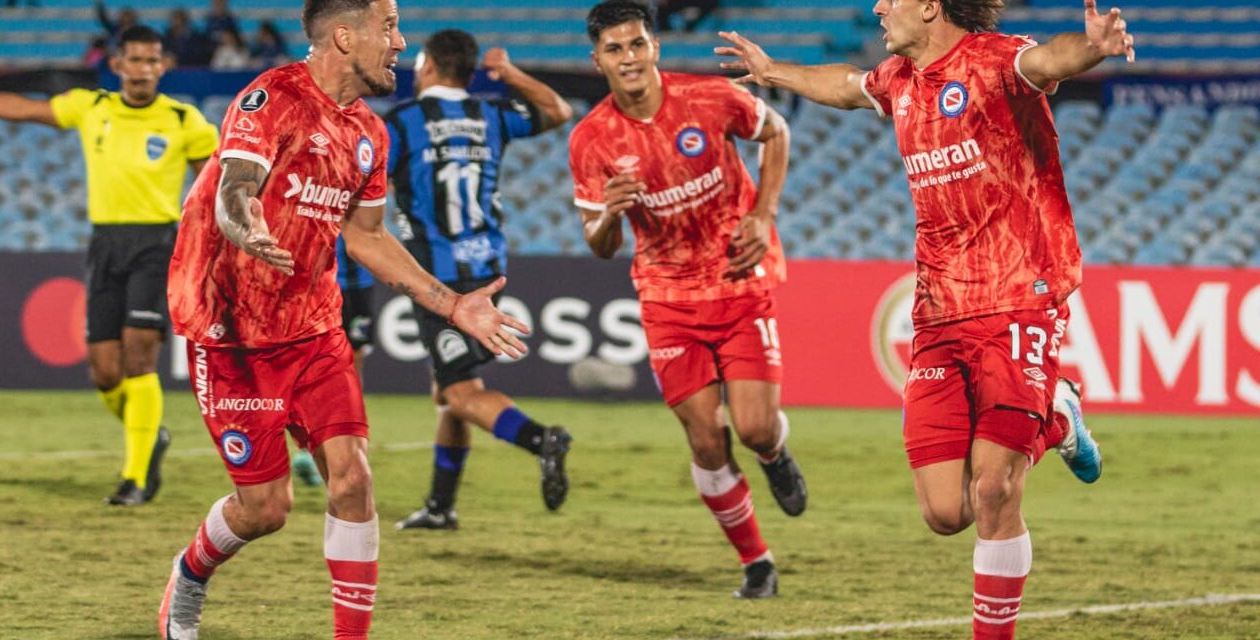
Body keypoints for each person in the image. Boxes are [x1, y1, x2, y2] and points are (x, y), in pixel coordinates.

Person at [715, 0, 1121, 634]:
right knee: (944, 512)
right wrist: (773, 73)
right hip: (936, 312)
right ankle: (1057, 416)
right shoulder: (899, 80)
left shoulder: (992, 62)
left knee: (994, 491)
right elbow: (846, 88)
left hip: (1019, 296)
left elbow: (1048, 61)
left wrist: (1093, 47)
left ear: (930, 6)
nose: (878, 6)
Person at [159, 1, 529, 638]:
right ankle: (188, 576)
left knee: (353, 478)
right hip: (233, 336)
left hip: (313, 328)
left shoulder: (371, 134)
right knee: (265, 510)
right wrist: (242, 223)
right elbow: (235, 183)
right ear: (344, 35)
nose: (399, 42)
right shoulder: (270, 97)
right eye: (388, 29)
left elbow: (367, 238)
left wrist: (451, 304)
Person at [569, 0, 806, 599]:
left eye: (637, 44)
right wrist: (611, 217)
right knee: (705, 440)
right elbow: (599, 245)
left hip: (736, 277)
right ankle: (757, 562)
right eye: (615, 49)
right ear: (597, 61)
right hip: (667, 295)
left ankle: (775, 453)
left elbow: (775, 130)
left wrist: (762, 213)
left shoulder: (707, 99)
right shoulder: (591, 139)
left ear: (655, 48)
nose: (629, 57)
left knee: (753, 429)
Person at [0, 25, 218, 506]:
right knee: (105, 373)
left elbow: (213, 186)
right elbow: (26, 109)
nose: (144, 69)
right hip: (106, 244)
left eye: (153, 61)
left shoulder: (184, 120)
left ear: (163, 66)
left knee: (139, 356)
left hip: (156, 243)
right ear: (117, 65)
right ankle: (150, 437)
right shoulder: (94, 109)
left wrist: (211, 246)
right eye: (135, 60)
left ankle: (135, 478)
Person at [381, 30, 575, 530]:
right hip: (487, 268)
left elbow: (362, 183)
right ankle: (441, 506)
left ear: (426, 67)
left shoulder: (403, 122)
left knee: (461, 393)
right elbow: (558, 111)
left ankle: (541, 440)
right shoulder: (490, 114)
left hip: (439, 282)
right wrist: (510, 75)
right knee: (451, 393)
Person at [291, 235, 374, 488]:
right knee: (311, 363)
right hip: (316, 281)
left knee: (352, 361)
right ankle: (310, 446)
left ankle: (347, 445)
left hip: (358, 282)